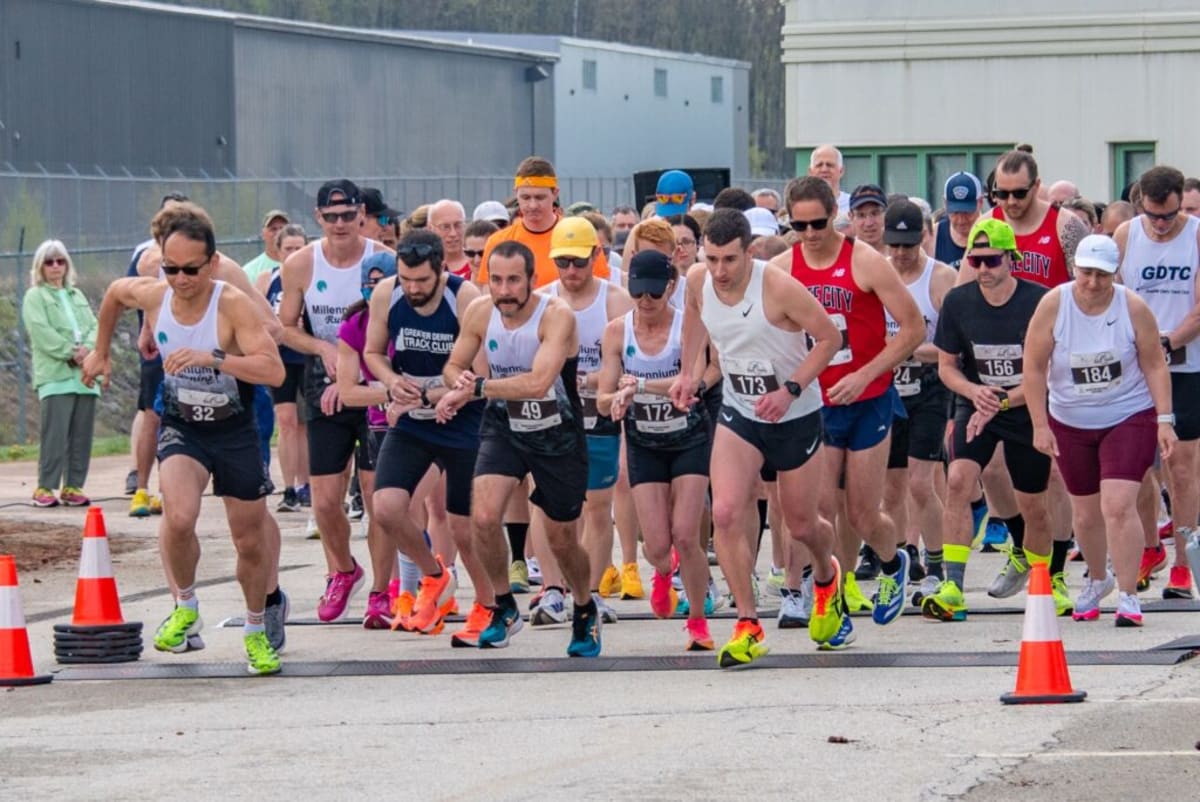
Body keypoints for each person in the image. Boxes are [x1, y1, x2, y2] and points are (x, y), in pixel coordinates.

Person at [83, 205, 286, 675]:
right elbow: (115, 294)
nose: (179, 278)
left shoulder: (231, 303)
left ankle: (256, 629)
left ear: (212, 264)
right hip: (183, 425)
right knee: (178, 517)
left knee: (249, 541)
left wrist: (216, 358)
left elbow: (272, 368)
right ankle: (186, 606)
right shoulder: (155, 295)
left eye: (190, 269)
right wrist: (100, 350)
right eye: (170, 268)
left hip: (234, 430)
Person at [672, 208, 843, 666]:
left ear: (749, 252)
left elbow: (828, 339)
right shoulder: (697, 280)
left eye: (730, 260)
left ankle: (826, 577)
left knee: (802, 524)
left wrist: (790, 390)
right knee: (726, 512)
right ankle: (747, 623)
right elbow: (694, 319)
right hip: (741, 412)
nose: (720, 271)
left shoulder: (778, 287)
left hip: (795, 416)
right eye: (712, 259)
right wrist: (688, 373)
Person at [776, 176, 924, 626]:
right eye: (799, 225)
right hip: (814, 404)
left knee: (862, 512)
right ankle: (821, 593)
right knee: (816, 510)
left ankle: (892, 561)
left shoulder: (865, 261)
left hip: (867, 399)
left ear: (832, 217)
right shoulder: (783, 268)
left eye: (818, 223)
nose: (810, 234)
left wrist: (865, 374)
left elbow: (914, 329)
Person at [442, 240, 602, 657]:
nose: (504, 289)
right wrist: (459, 383)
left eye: (514, 280)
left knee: (561, 539)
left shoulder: (556, 315)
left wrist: (476, 388)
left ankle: (584, 606)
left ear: (533, 280)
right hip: (505, 428)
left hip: (558, 436)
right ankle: (504, 605)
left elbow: (537, 381)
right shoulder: (480, 311)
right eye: (495, 280)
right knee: (483, 516)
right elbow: (453, 365)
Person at [1024, 234, 1177, 626]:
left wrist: (1164, 419)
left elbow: (1155, 365)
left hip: (1128, 413)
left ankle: (1128, 595)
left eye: (1102, 276)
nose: (1092, 283)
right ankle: (1097, 578)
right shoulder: (1054, 304)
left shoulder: (1133, 308)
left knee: (1117, 504)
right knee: (1087, 512)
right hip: (1071, 417)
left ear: (1115, 274)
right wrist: (1040, 424)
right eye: (1086, 273)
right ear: (1075, 269)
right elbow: (1035, 366)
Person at [365, 231, 496, 643]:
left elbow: (482, 374)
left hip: (462, 418)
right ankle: (435, 577)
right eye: (407, 280)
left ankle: (489, 605)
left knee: (464, 528)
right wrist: (389, 382)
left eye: (422, 280)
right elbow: (373, 353)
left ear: (441, 270)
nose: (414, 289)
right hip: (414, 418)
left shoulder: (464, 296)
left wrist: (430, 393)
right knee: (386, 508)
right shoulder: (387, 294)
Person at [926, 218, 1053, 622]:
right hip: (977, 402)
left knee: (1033, 501)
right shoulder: (959, 302)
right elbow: (947, 366)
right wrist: (973, 392)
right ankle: (953, 586)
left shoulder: (1039, 301)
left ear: (1011, 260)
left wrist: (1004, 402)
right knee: (959, 479)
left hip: (1025, 405)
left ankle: (1044, 578)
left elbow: (1052, 373)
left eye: (991, 261)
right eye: (975, 261)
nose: (983, 270)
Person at [278, 178, 388, 622]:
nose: (341, 224)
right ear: (318, 219)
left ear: (361, 214)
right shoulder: (302, 264)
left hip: (373, 384)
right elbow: (285, 326)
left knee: (376, 493)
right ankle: (342, 569)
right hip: (322, 386)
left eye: (349, 216)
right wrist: (323, 348)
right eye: (331, 217)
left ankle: (381, 590)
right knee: (324, 499)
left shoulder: (383, 262)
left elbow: (396, 323)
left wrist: (363, 369)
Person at [598, 250, 714, 649]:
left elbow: (696, 379)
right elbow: (601, 396)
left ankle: (698, 621)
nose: (645, 303)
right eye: (638, 294)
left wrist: (641, 387)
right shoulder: (617, 331)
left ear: (671, 288)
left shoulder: (689, 327)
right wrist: (616, 398)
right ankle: (663, 573)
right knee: (657, 546)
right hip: (644, 441)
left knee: (686, 535)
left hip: (688, 438)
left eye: (653, 294)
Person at [541, 216, 635, 622]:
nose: (572, 272)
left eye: (579, 262)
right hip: (555, 411)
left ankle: (592, 592)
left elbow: (635, 359)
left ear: (597, 257)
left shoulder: (615, 300)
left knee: (597, 505)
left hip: (598, 411)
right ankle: (552, 589)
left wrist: (596, 380)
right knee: (546, 503)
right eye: (563, 263)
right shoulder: (543, 300)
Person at [1115, 165, 1200, 599]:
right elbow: (1108, 296)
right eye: (1154, 216)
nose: (1161, 225)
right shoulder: (1127, 236)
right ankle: (1150, 546)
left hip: (1185, 365)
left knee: (1180, 467)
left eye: (1168, 216)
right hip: (1135, 366)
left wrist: (1166, 342)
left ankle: (1185, 562)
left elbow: (1199, 311)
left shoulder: (1197, 235)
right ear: (1141, 206)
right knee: (1138, 466)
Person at [880, 201, 956, 599]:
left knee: (921, 484)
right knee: (890, 489)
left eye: (908, 245)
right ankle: (895, 564)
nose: (901, 253)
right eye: (894, 245)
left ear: (926, 235)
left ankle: (937, 563)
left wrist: (909, 350)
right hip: (886, 389)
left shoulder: (942, 278)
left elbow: (953, 346)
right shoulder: (875, 272)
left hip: (927, 387)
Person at [22, 240, 100, 507]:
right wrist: (70, 351)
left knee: (81, 434)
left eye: (60, 261)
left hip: (85, 376)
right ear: (40, 267)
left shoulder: (76, 296)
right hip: (56, 375)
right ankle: (45, 486)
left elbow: (94, 326)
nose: (56, 266)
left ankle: (73, 485)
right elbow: (41, 332)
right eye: (49, 261)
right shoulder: (35, 297)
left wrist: (88, 350)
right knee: (55, 433)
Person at [477, 157, 609, 288]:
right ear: (516, 194)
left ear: (555, 194)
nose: (533, 205)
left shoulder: (582, 237)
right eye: (526, 197)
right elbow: (489, 297)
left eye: (540, 197)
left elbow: (601, 291)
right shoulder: (498, 242)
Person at [255, 224, 311, 516]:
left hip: (308, 358)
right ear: (278, 252)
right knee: (287, 421)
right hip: (282, 359)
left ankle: (307, 484)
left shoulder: (312, 278)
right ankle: (289, 487)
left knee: (308, 424)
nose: (294, 254)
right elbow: (254, 315)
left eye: (300, 248)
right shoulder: (268, 279)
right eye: (289, 249)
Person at [935, 172, 984, 269]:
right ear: (945, 203)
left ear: (980, 202)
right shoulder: (934, 236)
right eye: (955, 212)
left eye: (967, 212)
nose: (961, 220)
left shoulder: (996, 232)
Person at [242, 210, 290, 283]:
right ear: (263, 234)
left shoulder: (303, 265)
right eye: (273, 229)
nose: (279, 233)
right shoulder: (251, 271)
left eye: (282, 228)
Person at [429, 199, 470, 279]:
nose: (453, 233)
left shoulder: (477, 264)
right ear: (431, 229)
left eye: (458, 225)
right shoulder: (425, 267)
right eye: (445, 227)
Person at [808, 145, 851, 215]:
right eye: (819, 165)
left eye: (830, 165)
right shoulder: (800, 205)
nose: (824, 170)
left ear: (841, 171)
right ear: (810, 172)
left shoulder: (852, 205)